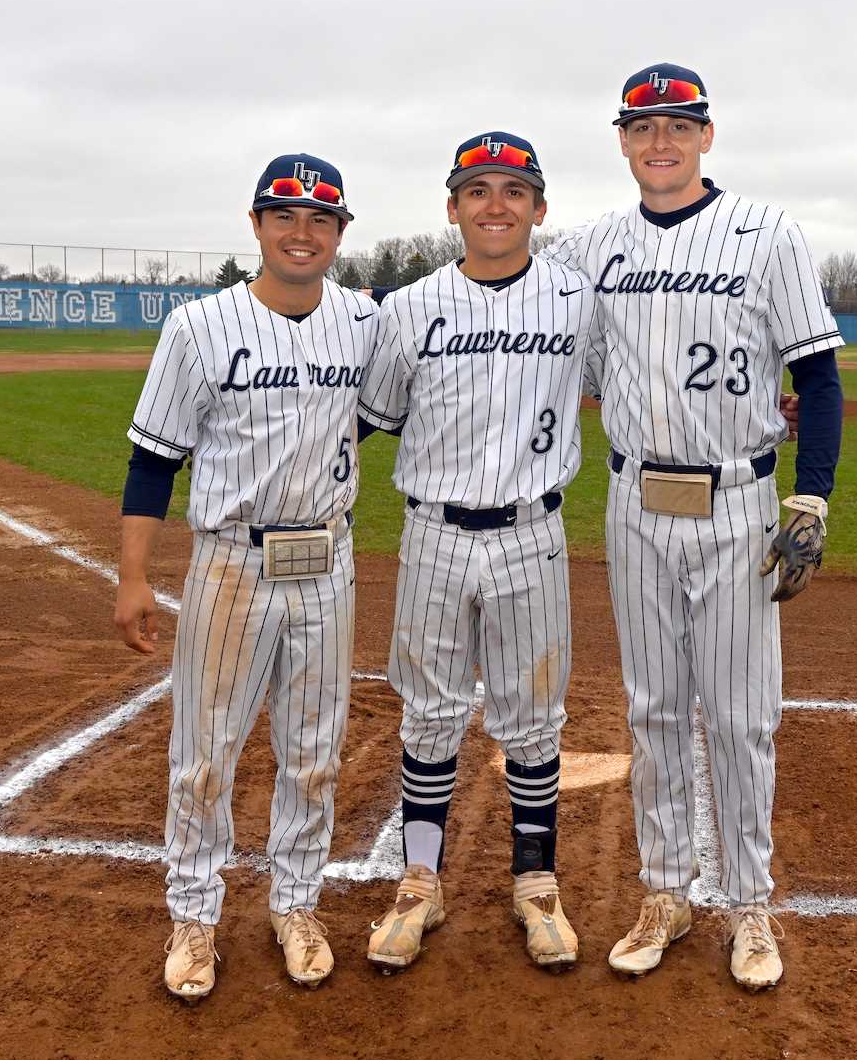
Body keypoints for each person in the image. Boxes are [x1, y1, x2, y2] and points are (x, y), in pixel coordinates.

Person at [541, 63, 844, 990]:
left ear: (706, 136)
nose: (660, 141)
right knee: (657, 710)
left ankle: (750, 906)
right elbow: (513, 305)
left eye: (678, 124)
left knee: (742, 716)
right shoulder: (591, 248)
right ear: (623, 141)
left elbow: (819, 377)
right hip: (636, 505)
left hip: (740, 503)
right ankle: (667, 891)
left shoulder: (768, 235)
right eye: (642, 126)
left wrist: (813, 494)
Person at [113, 153, 381, 1002]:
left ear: (340, 233)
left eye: (320, 219)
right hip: (231, 562)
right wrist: (132, 578)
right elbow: (152, 461)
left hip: (328, 562)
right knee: (205, 754)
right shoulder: (198, 328)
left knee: (314, 753)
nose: (301, 232)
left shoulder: (366, 322)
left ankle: (296, 904)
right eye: (285, 215)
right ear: (258, 224)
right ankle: (194, 916)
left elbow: (372, 418)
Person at [357, 132, 595, 973]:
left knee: (533, 716)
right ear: (452, 206)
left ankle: (537, 884)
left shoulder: (576, 299)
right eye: (478, 189)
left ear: (539, 207)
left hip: (533, 531)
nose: (496, 204)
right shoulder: (410, 309)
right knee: (430, 713)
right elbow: (370, 416)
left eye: (513, 189)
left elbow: (634, 372)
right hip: (433, 534)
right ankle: (421, 881)